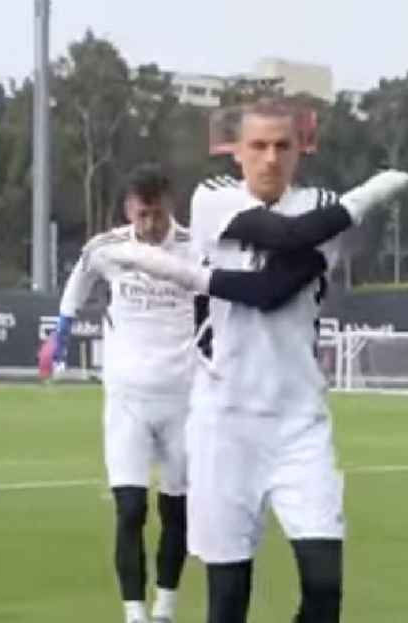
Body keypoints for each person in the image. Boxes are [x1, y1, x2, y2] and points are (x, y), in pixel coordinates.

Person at [91, 98, 408, 623]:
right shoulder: (214, 198)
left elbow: (273, 287)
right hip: (223, 424)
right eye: (258, 146)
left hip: (299, 423)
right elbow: (281, 243)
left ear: (300, 151)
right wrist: (366, 197)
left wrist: (367, 193)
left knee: (324, 587)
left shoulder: (322, 207)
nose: (270, 159)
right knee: (228, 597)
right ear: (237, 153)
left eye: (282, 146)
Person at [44, 163, 330, 623]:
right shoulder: (107, 249)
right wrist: (58, 334)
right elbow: (77, 286)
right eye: (141, 217)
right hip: (127, 400)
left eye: (156, 215)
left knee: (176, 511)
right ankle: (134, 615)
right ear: (128, 211)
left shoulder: (198, 247)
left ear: (170, 207)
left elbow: (231, 291)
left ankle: (166, 606)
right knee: (130, 508)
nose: (149, 226)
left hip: (186, 398)